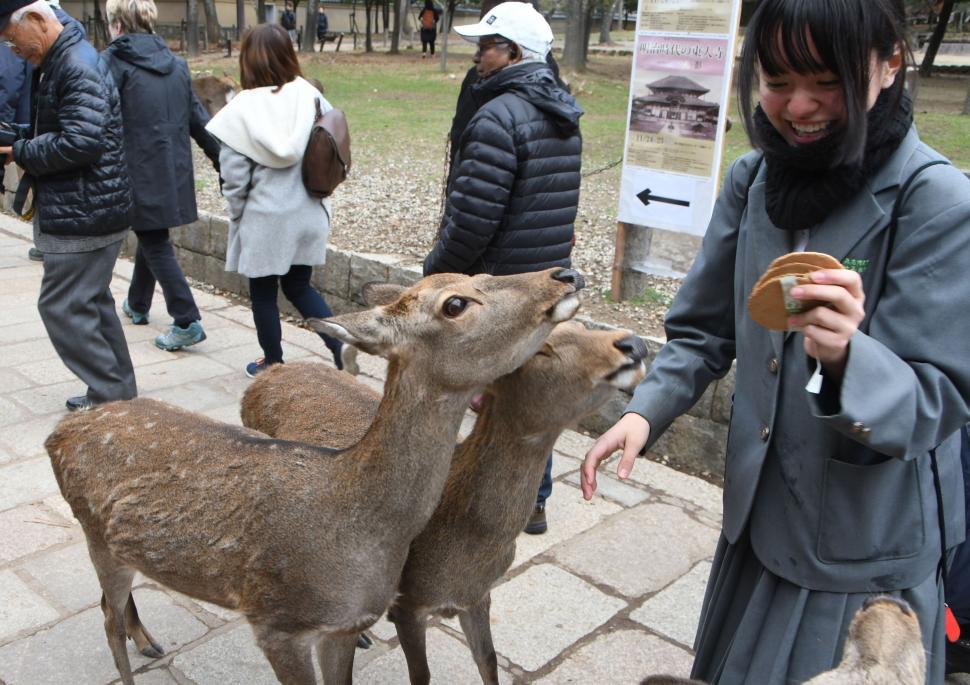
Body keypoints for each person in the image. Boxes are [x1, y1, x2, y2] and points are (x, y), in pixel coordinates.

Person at [581, 0, 970, 682]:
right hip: (758, 523)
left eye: (825, 80)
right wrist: (647, 410)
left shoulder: (934, 202)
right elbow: (704, 328)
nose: (797, 107)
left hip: (855, 555)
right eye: (777, 78)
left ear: (890, 62)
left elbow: (935, 402)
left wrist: (850, 354)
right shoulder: (755, 181)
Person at [423, 1, 582, 535]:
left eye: (485, 47)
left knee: (465, 383)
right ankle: (532, 500)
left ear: (514, 53)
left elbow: (473, 218)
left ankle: (457, 493)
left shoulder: (496, 115)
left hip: (501, 285)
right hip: (545, 279)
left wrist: (437, 274)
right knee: (528, 390)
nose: (477, 57)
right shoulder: (563, 108)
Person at [0, 0, 135, 411]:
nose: (14, 51)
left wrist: (21, 149)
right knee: (90, 303)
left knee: (62, 306)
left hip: (85, 211)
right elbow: (71, 127)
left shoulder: (74, 63)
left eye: (12, 40)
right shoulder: (66, 58)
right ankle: (117, 394)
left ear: (39, 21)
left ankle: (111, 397)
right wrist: (19, 137)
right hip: (91, 206)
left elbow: (82, 143)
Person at [206, 23, 357, 378]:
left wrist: (237, 214)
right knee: (299, 286)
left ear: (248, 61)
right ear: (289, 55)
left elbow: (235, 178)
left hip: (265, 217)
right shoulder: (311, 95)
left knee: (262, 294)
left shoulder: (239, 111)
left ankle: (272, 363)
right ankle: (339, 345)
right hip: (309, 209)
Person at [103, 0, 222, 352]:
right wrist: (222, 161)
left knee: (154, 240)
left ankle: (186, 319)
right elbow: (199, 121)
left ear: (118, 26)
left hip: (135, 172)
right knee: (152, 233)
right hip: (172, 172)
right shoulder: (177, 65)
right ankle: (137, 304)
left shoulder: (111, 63)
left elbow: (103, 124)